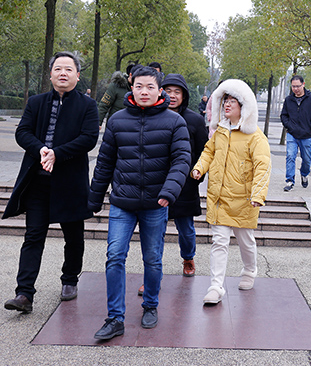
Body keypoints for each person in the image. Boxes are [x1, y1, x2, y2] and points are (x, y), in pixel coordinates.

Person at [88, 65, 191, 340]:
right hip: (123, 201)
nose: (144, 91)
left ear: (159, 90)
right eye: (138, 86)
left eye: (150, 87)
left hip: (156, 203)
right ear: (131, 88)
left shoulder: (174, 122)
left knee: (153, 258)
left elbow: (181, 160)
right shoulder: (117, 121)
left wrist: (169, 191)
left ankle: (150, 305)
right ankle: (115, 317)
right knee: (114, 256)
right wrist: (94, 198)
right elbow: (105, 162)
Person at [3, 51, 99, 313]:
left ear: (77, 75)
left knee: (73, 236)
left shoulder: (88, 105)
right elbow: (23, 132)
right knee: (33, 236)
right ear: (50, 75)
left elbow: (89, 138)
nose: (63, 73)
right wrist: (41, 150)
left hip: (70, 183)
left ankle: (69, 280)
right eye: (58, 69)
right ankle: (24, 293)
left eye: (68, 69)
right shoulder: (36, 102)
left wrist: (58, 153)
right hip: (38, 182)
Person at [190, 79, 271, 305]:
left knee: (246, 241)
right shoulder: (220, 131)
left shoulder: (255, 136)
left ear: (244, 106)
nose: (227, 104)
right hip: (220, 198)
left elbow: (263, 166)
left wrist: (258, 195)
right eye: (225, 100)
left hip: (244, 200)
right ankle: (216, 287)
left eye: (233, 101)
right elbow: (208, 152)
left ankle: (249, 270)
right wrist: (199, 168)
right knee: (219, 242)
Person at [160, 74, 208, 276]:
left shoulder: (195, 120)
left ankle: (188, 257)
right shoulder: (153, 115)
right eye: (168, 91)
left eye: (177, 92)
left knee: (186, 229)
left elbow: (203, 151)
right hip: (158, 182)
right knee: (154, 231)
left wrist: (197, 175)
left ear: (184, 95)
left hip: (184, 184)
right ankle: (153, 271)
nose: (172, 95)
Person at [280, 75, 311, 192]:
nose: (296, 89)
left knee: (306, 159)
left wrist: (310, 126)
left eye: (298, 86)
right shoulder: (288, 100)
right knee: (290, 156)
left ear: (303, 84)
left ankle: (304, 174)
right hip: (292, 134)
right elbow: (284, 115)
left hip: (306, 135)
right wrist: (289, 126)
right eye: (293, 86)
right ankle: (289, 181)